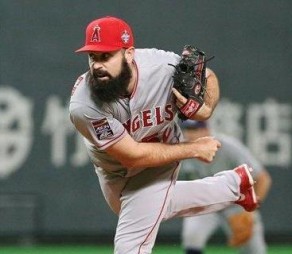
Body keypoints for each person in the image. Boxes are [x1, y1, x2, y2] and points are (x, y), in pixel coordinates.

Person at [69, 16, 258, 254]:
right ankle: (233, 185)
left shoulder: (162, 67)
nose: (97, 65)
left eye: (106, 56)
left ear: (129, 54)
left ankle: (233, 186)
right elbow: (133, 157)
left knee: (131, 243)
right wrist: (194, 149)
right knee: (146, 208)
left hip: (162, 150)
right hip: (113, 168)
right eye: (92, 57)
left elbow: (208, 76)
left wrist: (206, 108)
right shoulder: (84, 105)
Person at [179, 120, 272, 254]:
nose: (190, 134)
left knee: (254, 250)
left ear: (207, 130)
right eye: (187, 129)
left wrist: (250, 210)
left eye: (195, 129)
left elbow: (263, 178)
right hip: (206, 203)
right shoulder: (184, 150)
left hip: (236, 204)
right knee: (192, 236)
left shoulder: (228, 147)